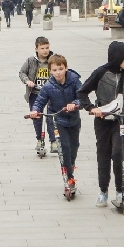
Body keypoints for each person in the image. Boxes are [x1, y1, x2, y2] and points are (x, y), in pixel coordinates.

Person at [77, 41, 124, 209]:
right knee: (103, 154)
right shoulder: (101, 72)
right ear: (118, 57)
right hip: (102, 121)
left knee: (118, 153)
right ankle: (103, 191)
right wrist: (91, 108)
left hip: (121, 120)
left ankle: (121, 191)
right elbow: (82, 92)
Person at [29, 54, 81, 188]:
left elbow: (82, 97)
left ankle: (71, 165)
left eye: (61, 69)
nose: (58, 72)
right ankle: (70, 178)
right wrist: (35, 110)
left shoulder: (74, 80)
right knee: (64, 148)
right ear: (50, 71)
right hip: (58, 120)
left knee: (74, 146)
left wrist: (75, 103)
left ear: (66, 68)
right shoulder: (48, 86)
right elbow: (40, 101)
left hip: (74, 119)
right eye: (54, 70)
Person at [19, 37, 57, 154]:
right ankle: (39, 139)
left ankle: (53, 141)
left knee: (50, 118)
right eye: (42, 48)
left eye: (47, 48)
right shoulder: (31, 61)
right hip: (35, 94)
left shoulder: (53, 60)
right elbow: (22, 72)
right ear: (36, 49)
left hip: (50, 95)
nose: (45, 50)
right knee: (37, 117)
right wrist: (27, 81)